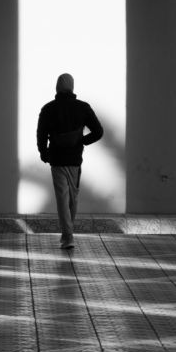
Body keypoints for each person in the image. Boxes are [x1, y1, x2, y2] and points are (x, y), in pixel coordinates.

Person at [36, 73, 104, 249]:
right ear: (72, 87)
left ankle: (68, 236)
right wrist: (82, 141)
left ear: (57, 87)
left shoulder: (48, 109)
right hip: (75, 159)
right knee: (73, 198)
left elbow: (41, 134)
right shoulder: (83, 108)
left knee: (62, 198)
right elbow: (98, 131)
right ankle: (68, 234)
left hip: (57, 159)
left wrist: (44, 153)